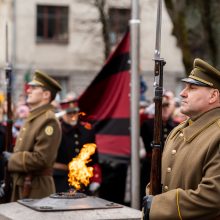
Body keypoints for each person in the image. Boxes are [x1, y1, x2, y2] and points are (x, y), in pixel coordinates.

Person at [143, 58, 220, 219]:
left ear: (213, 96)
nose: (182, 93)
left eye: (192, 88)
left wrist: (158, 206)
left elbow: (213, 196)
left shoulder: (217, 134)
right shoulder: (177, 131)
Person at [2, 70, 62, 201]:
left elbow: (41, 159)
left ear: (46, 94)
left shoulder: (48, 120)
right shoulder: (33, 117)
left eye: (34, 88)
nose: (28, 90)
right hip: (22, 185)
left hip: (36, 190)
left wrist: (12, 159)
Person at [53, 98, 102, 195]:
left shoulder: (87, 130)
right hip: (61, 178)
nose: (72, 116)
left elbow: (94, 157)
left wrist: (95, 177)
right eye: (69, 113)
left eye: (74, 113)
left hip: (82, 178)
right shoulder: (57, 131)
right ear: (63, 114)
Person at [140, 94, 178, 207]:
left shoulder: (175, 125)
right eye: (162, 106)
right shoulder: (148, 123)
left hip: (169, 163)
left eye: (167, 106)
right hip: (151, 163)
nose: (165, 109)